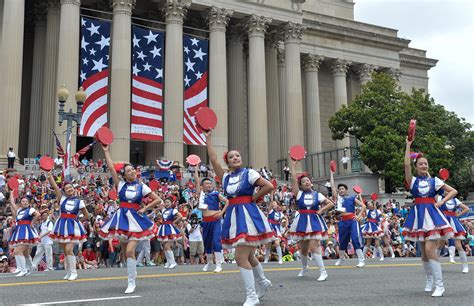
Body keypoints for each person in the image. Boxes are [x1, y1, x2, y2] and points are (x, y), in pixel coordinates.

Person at [206, 129, 274, 306]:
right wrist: (208, 139)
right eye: (231, 157)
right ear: (227, 161)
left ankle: (252, 296)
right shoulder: (226, 176)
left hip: (248, 214)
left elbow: (268, 186)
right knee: (249, 256)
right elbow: (213, 160)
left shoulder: (249, 173)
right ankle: (263, 282)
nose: (235, 158)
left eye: (237, 155)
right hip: (234, 215)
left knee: (240, 256)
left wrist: (252, 198)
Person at [98, 143, 162, 294]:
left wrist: (145, 208)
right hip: (122, 220)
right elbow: (111, 168)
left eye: (133, 169)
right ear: (124, 175)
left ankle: (131, 282)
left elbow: (157, 199)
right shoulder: (120, 185)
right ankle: (132, 271)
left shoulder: (142, 186)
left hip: (137, 220)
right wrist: (106, 151)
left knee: (130, 251)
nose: (132, 171)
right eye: (129, 170)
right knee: (125, 253)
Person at [402, 137, 457, 297]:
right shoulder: (412, 181)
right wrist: (408, 145)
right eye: (420, 164)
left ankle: (440, 285)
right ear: (416, 167)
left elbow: (453, 191)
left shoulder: (435, 181)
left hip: (432, 216)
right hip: (418, 216)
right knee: (424, 253)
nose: (424, 165)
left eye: (425, 163)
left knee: (429, 249)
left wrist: (441, 203)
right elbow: (406, 164)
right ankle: (429, 280)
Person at [288, 158, 334, 281]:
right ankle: (304, 267)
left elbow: (330, 203)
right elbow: (293, 180)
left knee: (314, 246)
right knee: (303, 248)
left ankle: (323, 272)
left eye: (308, 181)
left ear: (311, 182)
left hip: (314, 221)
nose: (307, 183)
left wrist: (320, 211)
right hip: (302, 220)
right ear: (301, 185)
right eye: (304, 182)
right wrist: (293, 165)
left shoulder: (317, 194)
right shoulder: (299, 194)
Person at [48, 171, 89, 281]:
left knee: (69, 249)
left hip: (72, 227)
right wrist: (49, 174)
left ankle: (74, 272)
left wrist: (77, 222)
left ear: (73, 188)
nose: (69, 189)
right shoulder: (62, 198)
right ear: (64, 191)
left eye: (70, 187)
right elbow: (54, 186)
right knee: (65, 250)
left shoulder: (79, 201)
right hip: (61, 225)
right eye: (67, 188)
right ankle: (69, 271)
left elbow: (87, 215)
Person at [194, 166, 229, 272]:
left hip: (216, 220)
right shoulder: (201, 194)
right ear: (202, 186)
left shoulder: (216, 194)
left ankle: (219, 264)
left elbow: (227, 202)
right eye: (206, 184)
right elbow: (196, 180)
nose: (209, 185)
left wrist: (222, 213)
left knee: (216, 241)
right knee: (207, 243)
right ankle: (209, 262)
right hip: (205, 222)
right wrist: (196, 168)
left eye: (210, 183)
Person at [330, 169, 366, 267]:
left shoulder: (352, 197)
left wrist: (359, 216)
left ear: (346, 190)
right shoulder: (337, 198)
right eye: (340, 189)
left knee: (355, 239)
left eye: (343, 189)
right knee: (342, 241)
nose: (341, 190)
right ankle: (341, 259)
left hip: (352, 221)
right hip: (342, 222)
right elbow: (332, 186)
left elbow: (363, 206)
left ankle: (361, 260)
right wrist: (332, 173)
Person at [7, 188, 40, 277]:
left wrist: (32, 223)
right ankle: (31, 267)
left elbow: (38, 215)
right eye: (23, 201)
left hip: (27, 232)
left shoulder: (30, 209)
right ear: (20, 203)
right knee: (25, 253)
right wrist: (11, 193)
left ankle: (23, 269)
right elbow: (12, 203)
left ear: (28, 203)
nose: (25, 202)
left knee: (18, 251)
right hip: (19, 232)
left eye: (26, 201)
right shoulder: (19, 211)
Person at [436, 191, 469, 273]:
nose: (446, 192)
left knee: (458, 245)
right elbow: (433, 192)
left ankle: (465, 266)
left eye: (448, 191)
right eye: (445, 191)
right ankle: (434, 265)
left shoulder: (455, 200)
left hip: (454, 222)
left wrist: (458, 215)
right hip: (444, 221)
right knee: (440, 244)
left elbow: (466, 208)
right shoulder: (440, 198)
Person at [156, 196, 182, 269]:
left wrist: (174, 222)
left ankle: (173, 262)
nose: (166, 204)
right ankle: (168, 261)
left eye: (168, 202)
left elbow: (180, 216)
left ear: (171, 203)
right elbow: (159, 202)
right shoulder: (163, 210)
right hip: (163, 228)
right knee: (165, 247)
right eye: (165, 202)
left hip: (170, 228)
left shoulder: (173, 210)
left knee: (167, 246)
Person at [265, 200, 285, 265]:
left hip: (277, 229)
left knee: (277, 243)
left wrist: (284, 225)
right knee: (268, 244)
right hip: (270, 228)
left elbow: (285, 219)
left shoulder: (280, 214)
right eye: (272, 203)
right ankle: (266, 259)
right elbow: (270, 204)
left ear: (277, 205)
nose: (273, 204)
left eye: (275, 203)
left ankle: (280, 259)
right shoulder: (270, 211)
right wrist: (271, 194)